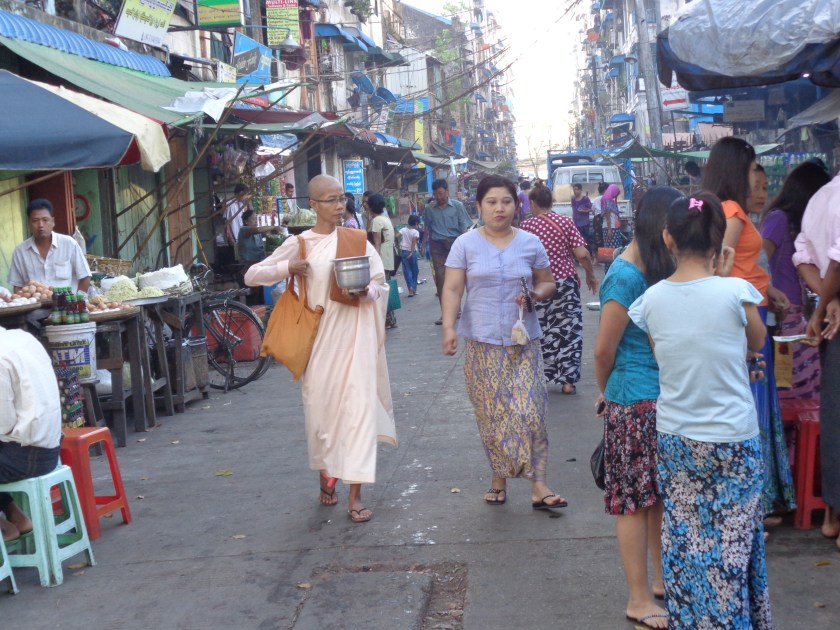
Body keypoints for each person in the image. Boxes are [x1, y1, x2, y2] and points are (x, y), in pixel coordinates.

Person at [629, 193, 773, 629]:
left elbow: (662, 354)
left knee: (687, 540)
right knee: (732, 542)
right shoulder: (735, 291)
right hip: (734, 439)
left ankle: (692, 619)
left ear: (668, 238)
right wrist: (724, 277)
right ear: (718, 242)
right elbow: (755, 342)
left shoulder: (651, 300)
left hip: (678, 437)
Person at [244, 175, 397, 523]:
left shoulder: (356, 240)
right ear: (313, 205)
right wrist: (288, 267)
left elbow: (379, 284)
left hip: (356, 339)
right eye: (330, 200)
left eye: (342, 198)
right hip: (319, 346)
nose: (339, 205)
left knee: (359, 413)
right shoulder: (300, 244)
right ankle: (327, 476)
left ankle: (356, 495)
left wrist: (367, 293)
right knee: (323, 419)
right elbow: (252, 275)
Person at [441, 175, 567, 511]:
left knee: (532, 411)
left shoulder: (530, 242)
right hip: (481, 342)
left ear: (517, 205)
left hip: (522, 342)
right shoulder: (464, 245)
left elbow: (548, 283)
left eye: (507, 202)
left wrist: (534, 295)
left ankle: (538, 484)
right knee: (491, 415)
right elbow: (453, 288)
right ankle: (498, 476)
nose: (500, 208)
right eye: (492, 202)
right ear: (479, 205)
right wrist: (449, 328)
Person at [593, 187, 680, 630]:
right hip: (632, 400)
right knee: (632, 502)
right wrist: (606, 392)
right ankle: (638, 598)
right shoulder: (625, 275)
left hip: (661, 399)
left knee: (656, 496)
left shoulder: (657, 267)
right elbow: (604, 350)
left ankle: (660, 581)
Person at [703, 136, 795, 518]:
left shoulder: (725, 209)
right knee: (751, 405)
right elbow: (720, 265)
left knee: (755, 401)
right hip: (744, 320)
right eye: (754, 167)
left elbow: (738, 266)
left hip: (751, 310)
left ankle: (756, 498)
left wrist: (768, 288)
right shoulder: (732, 213)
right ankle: (752, 500)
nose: (759, 176)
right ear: (737, 169)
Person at [794, 167, 840, 548]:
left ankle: (831, 514)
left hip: (831, 314)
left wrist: (825, 303)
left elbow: (804, 257)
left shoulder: (821, 197)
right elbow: (836, 260)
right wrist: (825, 303)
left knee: (835, 411)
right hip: (831, 310)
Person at [761, 162, 830, 401]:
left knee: (805, 381)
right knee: (795, 386)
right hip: (782, 314)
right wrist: (769, 291)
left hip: (793, 313)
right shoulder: (779, 219)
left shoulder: (791, 225)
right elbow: (761, 257)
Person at [521, 182, 598, 394]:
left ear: (533, 203)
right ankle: (567, 382)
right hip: (566, 284)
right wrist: (590, 275)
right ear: (552, 202)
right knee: (569, 330)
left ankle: (541, 377)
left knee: (541, 329)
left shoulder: (525, 228)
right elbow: (582, 254)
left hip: (538, 286)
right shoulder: (565, 222)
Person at [0, 324, 62, 542]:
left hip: (27, 455)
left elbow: (3, 425)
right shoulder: (21, 338)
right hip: (50, 446)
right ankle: (15, 516)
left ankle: (5, 527)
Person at [8, 198, 91, 295]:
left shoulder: (69, 244)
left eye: (45, 220)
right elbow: (17, 285)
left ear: (53, 221)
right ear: (29, 223)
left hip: (65, 306)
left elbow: (85, 276)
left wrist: (77, 301)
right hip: (35, 308)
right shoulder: (20, 251)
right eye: (35, 221)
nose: (41, 225)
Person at [424, 179, 473, 325]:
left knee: (460, 278)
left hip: (455, 245)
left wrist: (467, 247)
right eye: (436, 194)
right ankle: (446, 313)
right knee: (441, 279)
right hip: (437, 246)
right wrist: (425, 246)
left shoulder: (458, 206)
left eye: (440, 193)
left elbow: (464, 227)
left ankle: (461, 309)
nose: (438, 197)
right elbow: (427, 228)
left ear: (447, 191)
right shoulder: (429, 209)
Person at [367, 193, 398, 329]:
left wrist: (375, 262)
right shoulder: (385, 219)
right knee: (384, 289)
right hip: (388, 258)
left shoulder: (377, 221)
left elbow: (377, 243)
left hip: (381, 259)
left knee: (380, 290)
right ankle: (390, 320)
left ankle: (388, 320)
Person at [398, 215, 421, 297]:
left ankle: (410, 290)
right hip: (412, 253)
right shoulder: (415, 232)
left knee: (407, 271)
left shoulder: (403, 229)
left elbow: (396, 236)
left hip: (404, 252)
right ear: (416, 223)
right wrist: (411, 253)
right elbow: (413, 243)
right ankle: (414, 289)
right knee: (415, 271)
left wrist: (399, 244)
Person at [601, 184, 623, 249]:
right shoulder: (608, 200)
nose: (615, 196)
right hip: (611, 228)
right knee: (614, 248)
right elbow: (608, 216)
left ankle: (610, 259)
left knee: (609, 248)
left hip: (609, 227)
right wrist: (609, 229)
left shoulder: (605, 199)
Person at [570, 183, 592, 248]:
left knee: (586, 240)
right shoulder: (573, 199)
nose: (575, 191)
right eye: (574, 190)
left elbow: (591, 209)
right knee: (577, 241)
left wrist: (584, 211)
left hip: (584, 223)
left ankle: (588, 254)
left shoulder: (585, 199)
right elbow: (573, 210)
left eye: (576, 189)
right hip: (576, 224)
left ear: (580, 190)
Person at [591, 181, 608, 253]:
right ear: (605, 190)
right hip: (604, 218)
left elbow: (593, 211)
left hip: (597, 219)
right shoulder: (607, 198)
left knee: (597, 238)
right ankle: (606, 255)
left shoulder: (596, 199)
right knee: (605, 237)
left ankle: (597, 257)